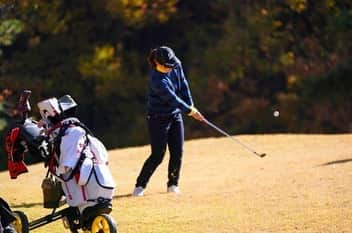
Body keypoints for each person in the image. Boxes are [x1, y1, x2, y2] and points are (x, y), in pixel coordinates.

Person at [132, 46, 204, 197]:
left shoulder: (175, 64)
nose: (171, 68)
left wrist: (191, 105)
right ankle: (140, 185)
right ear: (157, 63)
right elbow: (173, 98)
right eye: (167, 66)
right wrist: (190, 112)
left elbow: (183, 85)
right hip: (157, 118)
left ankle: (173, 184)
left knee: (177, 152)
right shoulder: (157, 80)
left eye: (172, 65)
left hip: (175, 116)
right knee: (158, 154)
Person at [37, 95, 116, 215]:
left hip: (79, 182)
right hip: (93, 184)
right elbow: (101, 155)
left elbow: (66, 165)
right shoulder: (77, 130)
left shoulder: (71, 132)